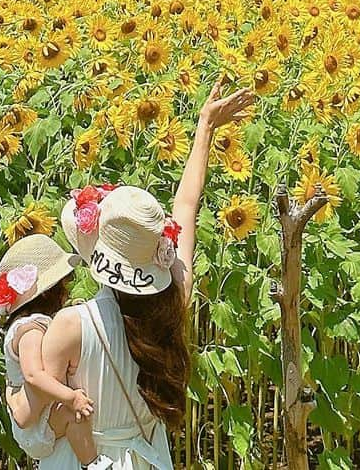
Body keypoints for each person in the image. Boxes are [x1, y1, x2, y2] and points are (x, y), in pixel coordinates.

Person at [38, 77, 255, 470]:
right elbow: (187, 206)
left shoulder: (71, 325)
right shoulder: (174, 297)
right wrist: (204, 128)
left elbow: (46, 430)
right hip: (149, 458)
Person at [0, 234, 103, 468]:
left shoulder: (26, 324)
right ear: (47, 292)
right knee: (74, 415)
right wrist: (72, 397)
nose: (66, 292)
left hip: (33, 419)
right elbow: (33, 374)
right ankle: (94, 464)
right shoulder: (31, 328)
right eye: (62, 285)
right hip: (36, 425)